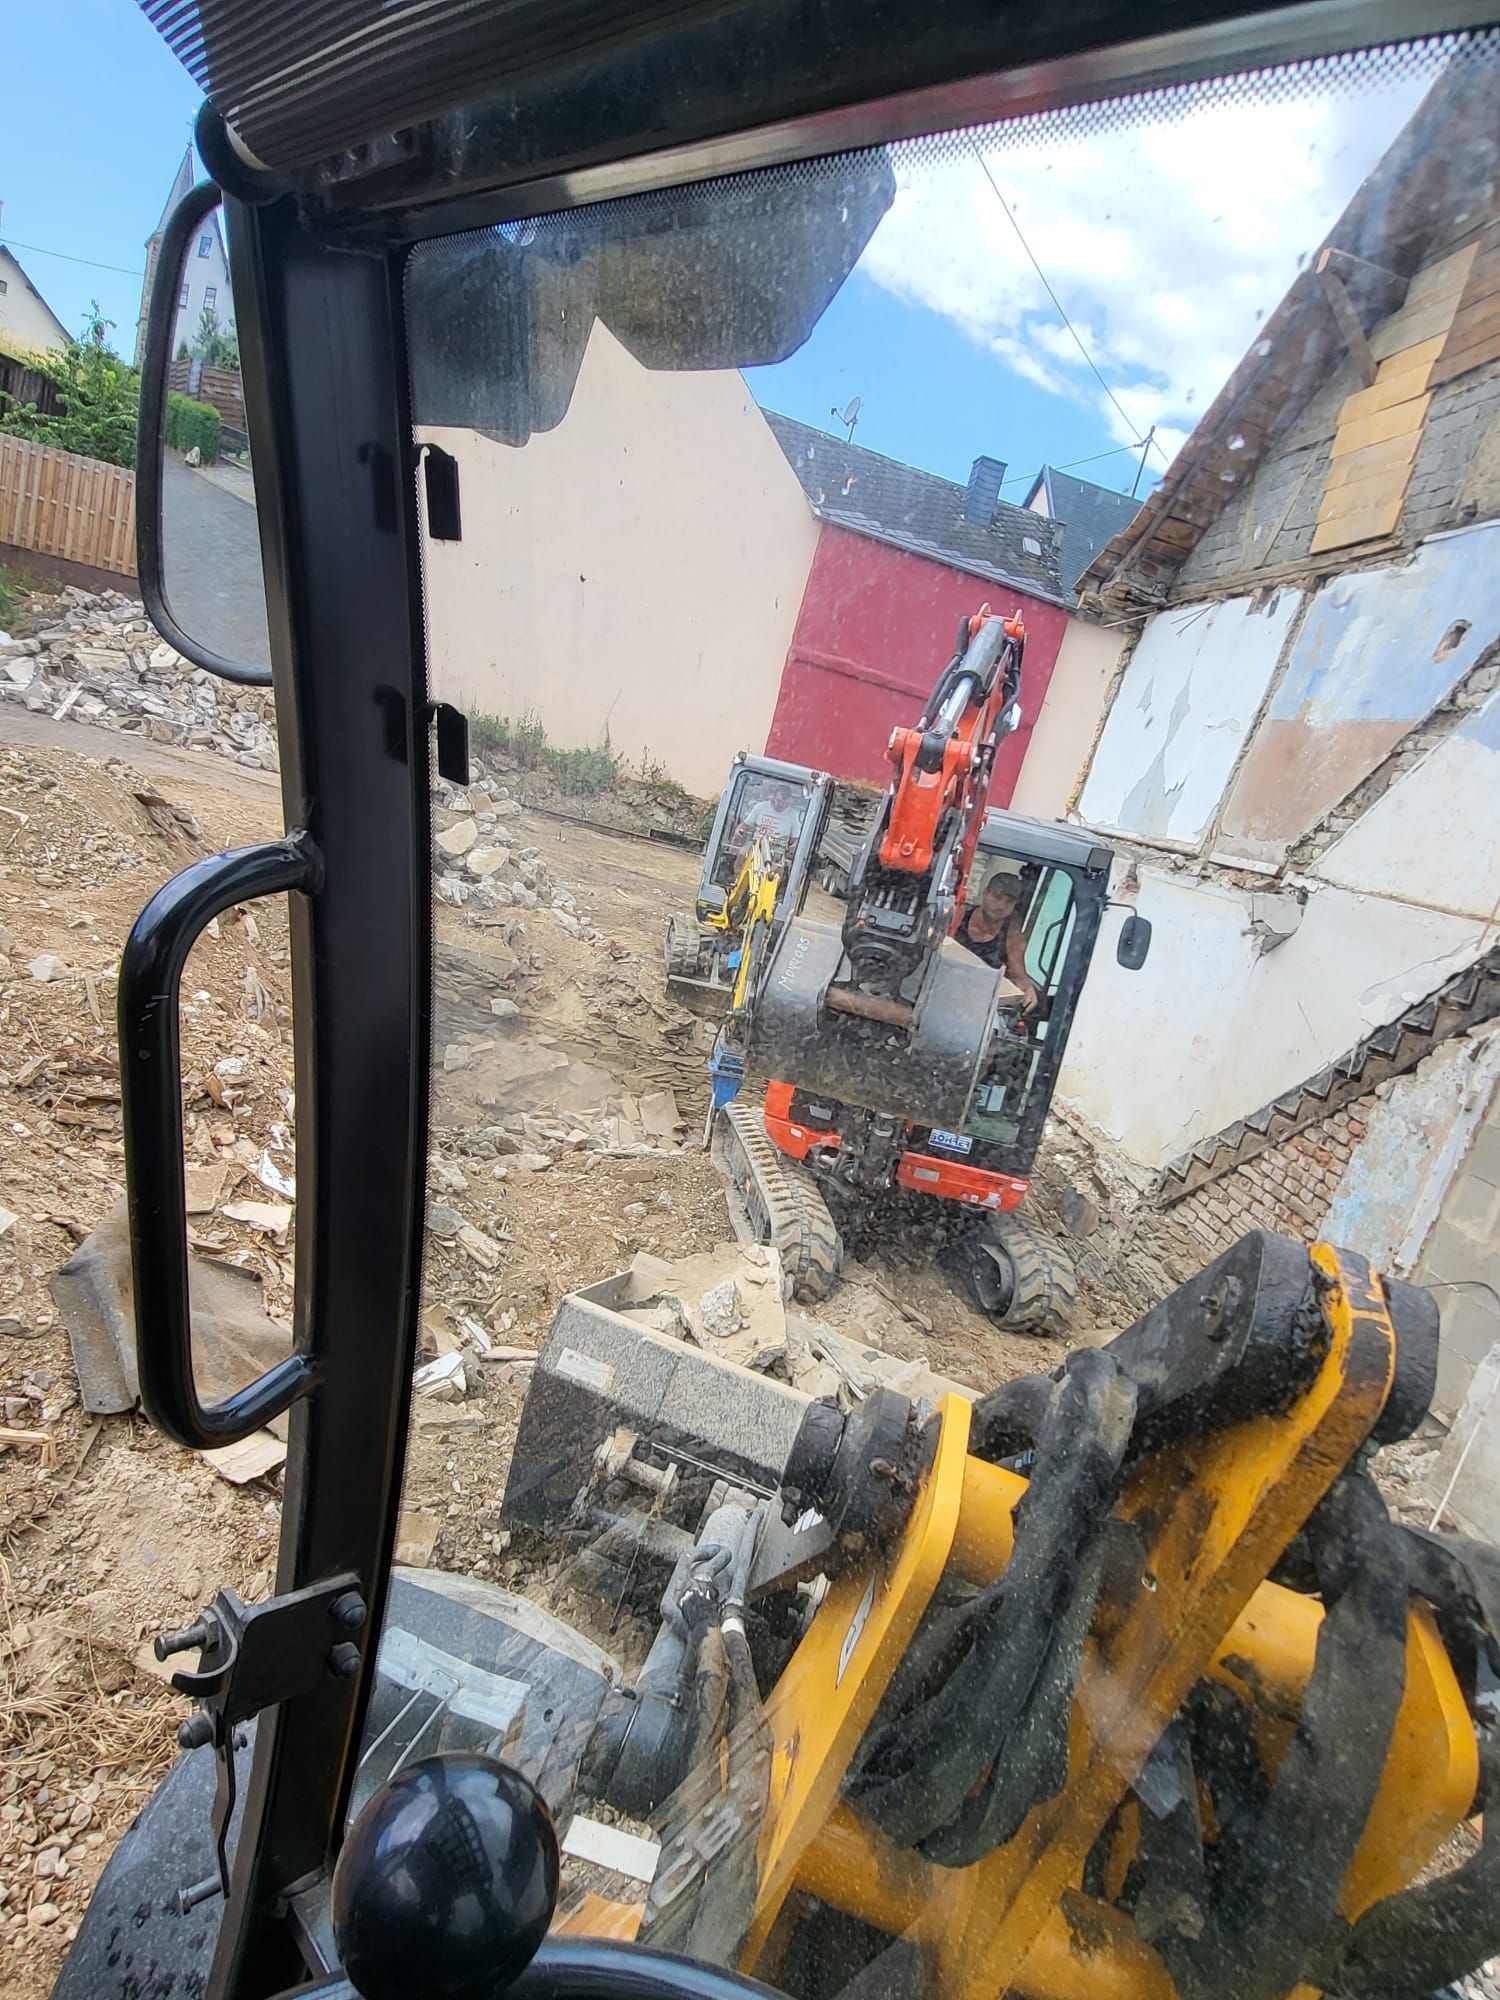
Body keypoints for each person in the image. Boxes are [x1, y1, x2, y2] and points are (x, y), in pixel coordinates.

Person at [957, 871, 1038, 1011]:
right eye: (997, 897)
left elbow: (1019, 977)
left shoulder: (1012, 937)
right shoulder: (959, 916)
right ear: (985, 893)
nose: (1000, 906)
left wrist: (1028, 990)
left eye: (1009, 902)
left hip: (979, 1004)